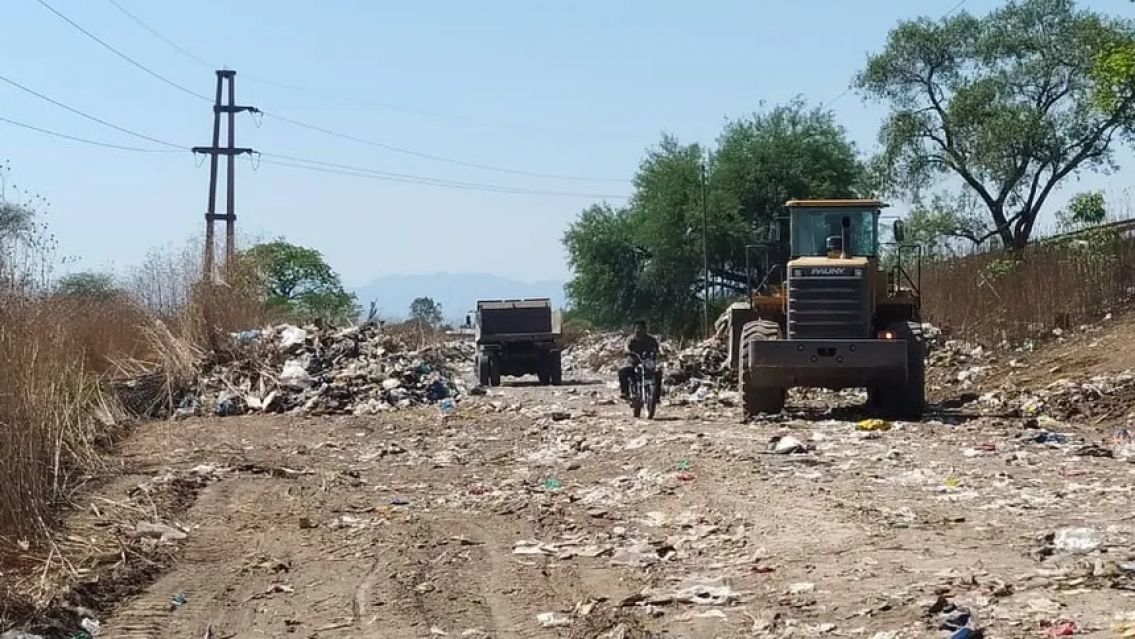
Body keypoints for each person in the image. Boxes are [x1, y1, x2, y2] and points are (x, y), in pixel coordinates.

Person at [618, 320, 661, 399]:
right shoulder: (630, 339)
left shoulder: (651, 340)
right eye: (637, 328)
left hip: (647, 361)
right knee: (622, 371)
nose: (639, 330)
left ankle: (657, 396)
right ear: (634, 329)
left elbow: (657, 349)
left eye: (641, 328)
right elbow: (626, 347)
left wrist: (660, 353)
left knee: (658, 373)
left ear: (645, 330)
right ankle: (625, 392)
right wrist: (628, 352)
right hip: (634, 361)